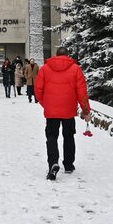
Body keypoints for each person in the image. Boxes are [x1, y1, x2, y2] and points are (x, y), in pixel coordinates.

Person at [35, 47, 91, 180]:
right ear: (67, 55)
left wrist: (46, 104)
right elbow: (82, 92)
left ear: (56, 55)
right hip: (69, 110)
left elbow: (38, 90)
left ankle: (53, 163)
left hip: (51, 111)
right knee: (69, 136)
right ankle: (68, 164)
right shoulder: (75, 69)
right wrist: (86, 110)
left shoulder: (45, 68)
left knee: (52, 137)